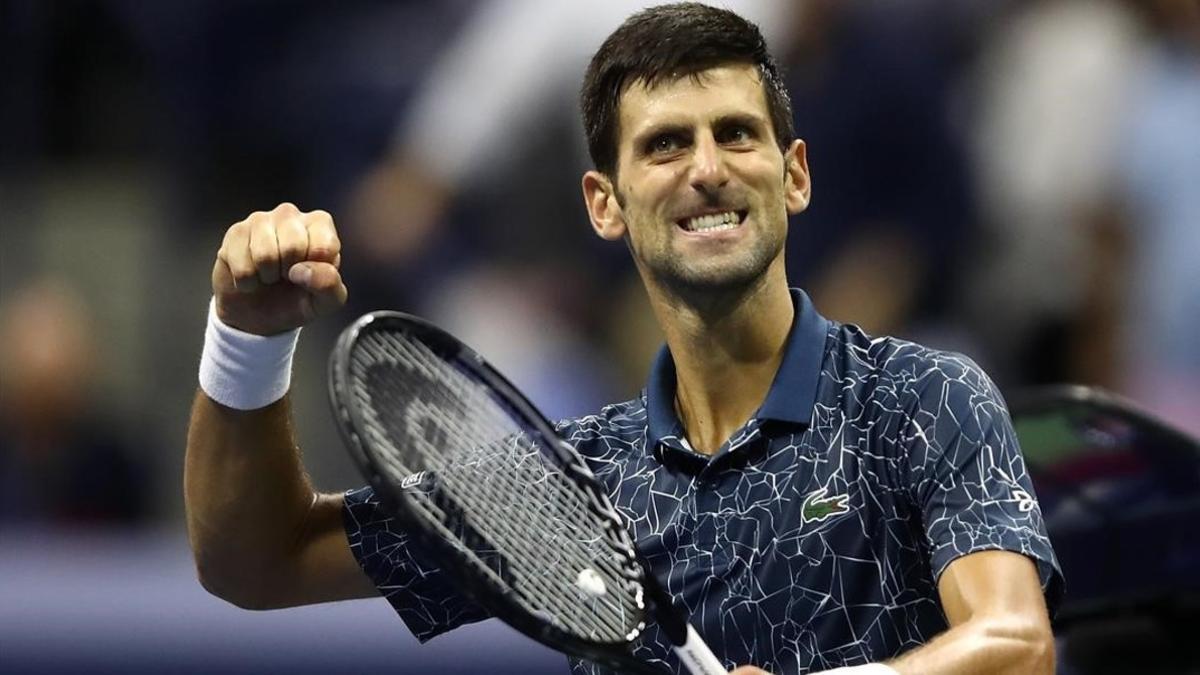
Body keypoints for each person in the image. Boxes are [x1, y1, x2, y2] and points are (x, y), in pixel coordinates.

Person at [185, 4, 1061, 674]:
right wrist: (247, 338)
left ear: (793, 175)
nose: (708, 168)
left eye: (738, 134)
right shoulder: (574, 487)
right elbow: (261, 562)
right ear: (605, 204)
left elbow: (1018, 643)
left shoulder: (924, 397)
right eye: (666, 145)